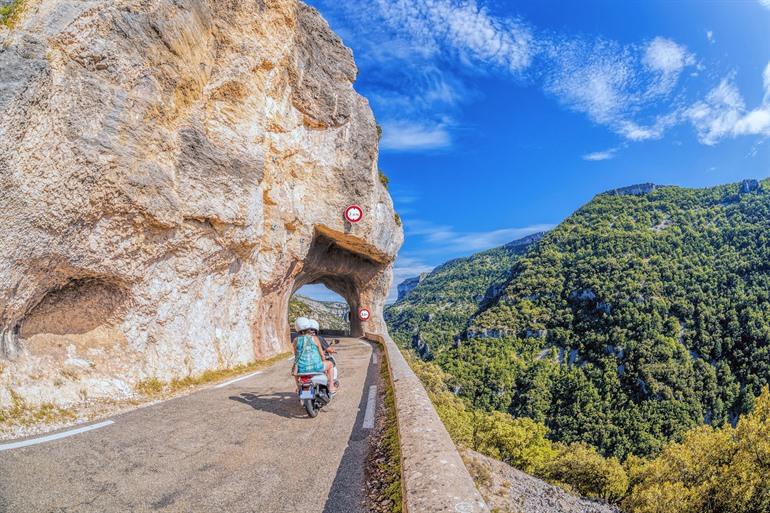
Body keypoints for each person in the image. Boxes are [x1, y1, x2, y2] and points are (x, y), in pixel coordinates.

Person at [292, 317, 337, 395]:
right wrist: (323, 359)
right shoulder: (315, 338)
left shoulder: (295, 340)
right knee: (330, 364)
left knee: (295, 369)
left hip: (301, 369)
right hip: (316, 367)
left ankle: (298, 387)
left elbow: (296, 355)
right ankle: (331, 386)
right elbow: (322, 355)